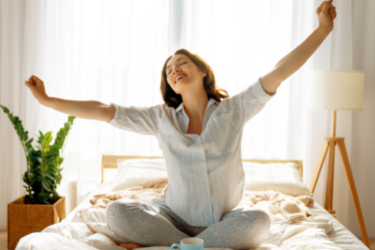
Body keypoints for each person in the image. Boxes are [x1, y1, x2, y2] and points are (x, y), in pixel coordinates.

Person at [24, 2, 336, 248]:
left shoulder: (235, 110)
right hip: (171, 217)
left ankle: (177, 247)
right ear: (170, 85)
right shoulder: (161, 118)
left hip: (225, 219)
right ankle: (189, 244)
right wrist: (49, 101)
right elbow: (106, 110)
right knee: (117, 212)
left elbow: (279, 71)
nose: (174, 70)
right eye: (169, 70)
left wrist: (322, 30)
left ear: (202, 71)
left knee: (261, 220)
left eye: (181, 63)